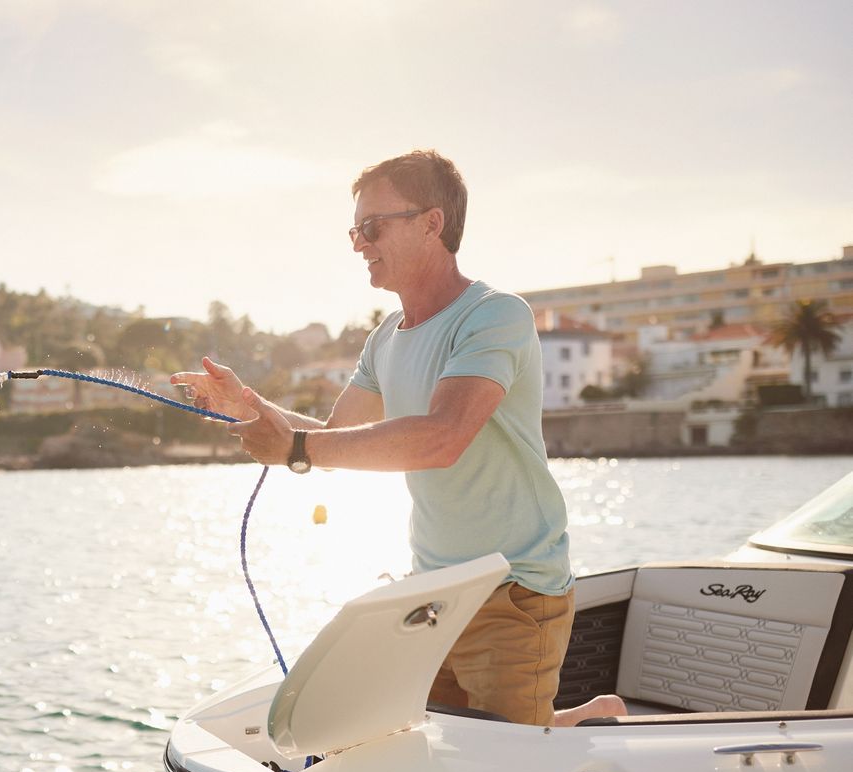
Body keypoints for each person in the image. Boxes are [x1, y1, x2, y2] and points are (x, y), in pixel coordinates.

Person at [171, 149, 623, 727]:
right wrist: (250, 406)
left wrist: (296, 450)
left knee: (504, 759)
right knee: (438, 747)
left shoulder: (495, 316)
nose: (359, 244)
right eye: (355, 231)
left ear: (432, 223)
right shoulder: (384, 338)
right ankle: (582, 718)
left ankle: (575, 722)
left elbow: (441, 439)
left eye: (373, 227)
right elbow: (337, 439)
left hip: (514, 588)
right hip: (434, 593)